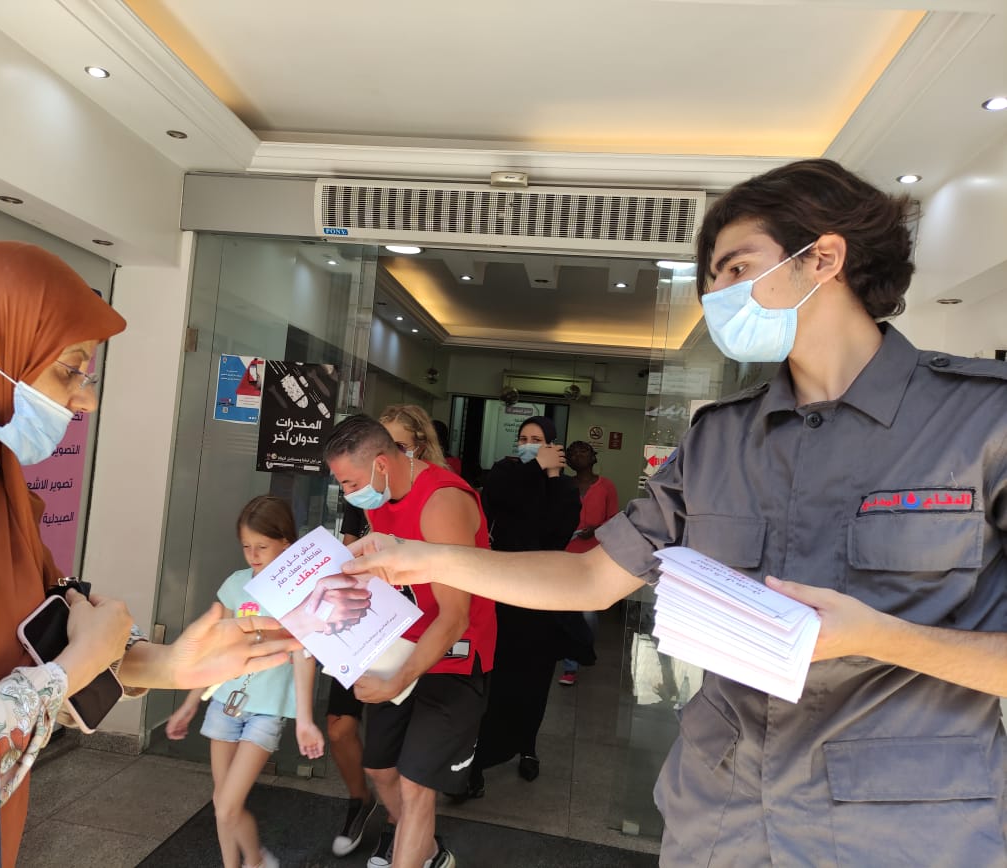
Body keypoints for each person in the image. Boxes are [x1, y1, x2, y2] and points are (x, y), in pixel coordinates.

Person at [341, 158, 1007, 866]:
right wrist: (424, 558)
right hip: (720, 816)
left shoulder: (981, 422)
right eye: (711, 280)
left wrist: (884, 638)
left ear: (824, 258)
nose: (717, 297)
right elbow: (592, 578)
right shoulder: (720, 437)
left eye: (736, 269)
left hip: (905, 831)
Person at [0, 243, 297, 867]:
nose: (87, 401)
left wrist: (171, 666)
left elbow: (38, 639)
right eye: (70, 370)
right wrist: (71, 670)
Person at [325, 414, 496, 868]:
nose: (348, 493)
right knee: (381, 768)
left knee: (417, 783)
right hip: (398, 640)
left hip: (454, 654)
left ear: (381, 464)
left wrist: (396, 680)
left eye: (350, 482)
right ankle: (429, 852)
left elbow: (455, 618)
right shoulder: (378, 497)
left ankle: (409, 854)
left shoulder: (442, 502)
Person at [166, 496, 324, 868]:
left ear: (285, 542)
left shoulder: (300, 591)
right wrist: (190, 703)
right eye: (246, 546)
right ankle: (249, 861)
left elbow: (304, 655)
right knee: (223, 802)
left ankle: (252, 861)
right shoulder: (236, 584)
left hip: (266, 711)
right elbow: (212, 650)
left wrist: (304, 719)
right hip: (225, 702)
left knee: (227, 805)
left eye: (262, 547)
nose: (253, 555)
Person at [465, 416, 580, 796]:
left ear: (554, 445)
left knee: (533, 680)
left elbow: (556, 532)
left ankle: (527, 745)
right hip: (501, 593)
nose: (530, 445)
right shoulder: (506, 472)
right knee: (495, 680)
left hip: (542, 599)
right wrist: (534, 468)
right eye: (524, 438)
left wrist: (551, 476)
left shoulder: (564, 487)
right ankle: (479, 759)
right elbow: (497, 499)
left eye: (539, 439)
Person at [323, 495, 380, 857]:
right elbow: (347, 553)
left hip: (410, 625)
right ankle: (361, 799)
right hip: (361, 618)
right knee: (339, 727)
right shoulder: (361, 496)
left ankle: (402, 823)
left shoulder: (428, 497)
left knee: (399, 734)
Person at [558, 441, 619, 686]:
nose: (577, 455)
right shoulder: (563, 485)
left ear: (594, 457)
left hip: (594, 555)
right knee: (568, 609)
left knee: (588, 612)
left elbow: (613, 520)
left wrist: (596, 529)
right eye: (572, 452)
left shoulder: (606, 486)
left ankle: (583, 647)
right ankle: (570, 665)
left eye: (583, 451)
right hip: (565, 554)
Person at [379, 404, 447, 468]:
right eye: (382, 445)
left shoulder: (436, 476)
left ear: (420, 449)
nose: (388, 453)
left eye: (398, 446)